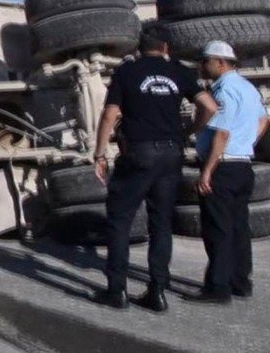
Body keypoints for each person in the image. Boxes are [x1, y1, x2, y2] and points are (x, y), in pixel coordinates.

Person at [92, 27, 218, 311]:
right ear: (165, 47)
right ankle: (157, 291)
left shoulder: (127, 72)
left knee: (120, 219)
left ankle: (117, 291)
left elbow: (110, 113)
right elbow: (209, 106)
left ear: (140, 48)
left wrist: (100, 154)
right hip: (172, 152)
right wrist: (189, 130)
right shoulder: (180, 71)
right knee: (161, 222)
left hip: (139, 152)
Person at [186, 41, 270, 304]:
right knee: (238, 226)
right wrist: (246, 143)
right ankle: (240, 281)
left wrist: (207, 171)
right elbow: (264, 119)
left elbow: (222, 132)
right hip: (243, 163)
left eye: (205, 61)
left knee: (218, 228)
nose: (202, 66)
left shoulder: (224, 91)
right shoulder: (247, 87)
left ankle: (218, 288)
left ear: (220, 62)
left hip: (222, 165)